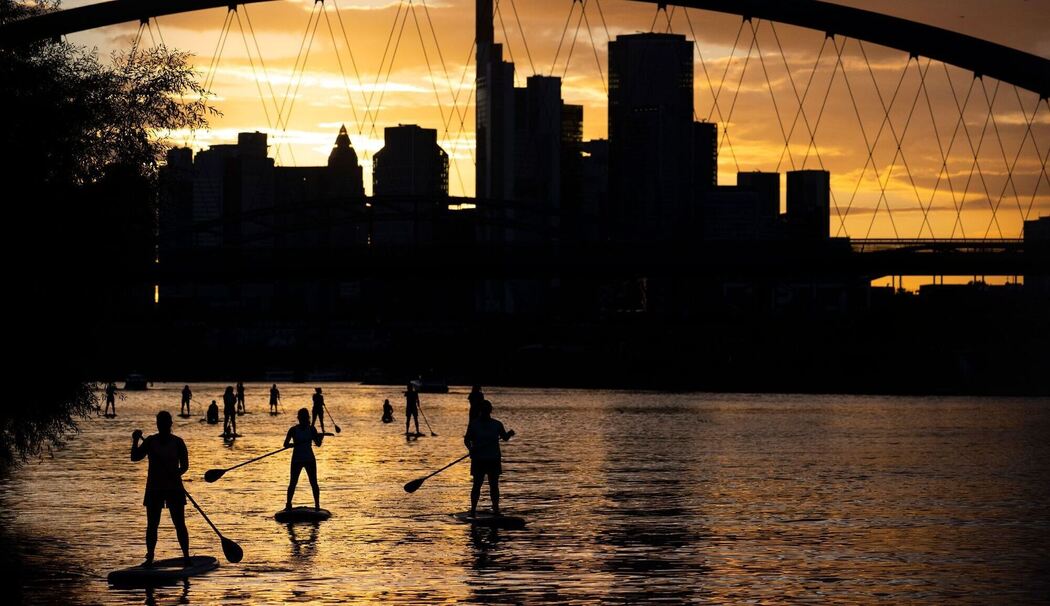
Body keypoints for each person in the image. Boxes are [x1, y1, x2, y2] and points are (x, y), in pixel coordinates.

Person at [131, 411, 190, 567]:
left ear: (170, 424)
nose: (161, 426)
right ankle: (150, 557)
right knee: (152, 525)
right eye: (159, 423)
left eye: (164, 423)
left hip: (174, 487)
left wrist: (175, 474)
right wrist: (135, 440)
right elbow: (135, 457)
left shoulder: (178, 442)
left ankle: (186, 557)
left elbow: (185, 466)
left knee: (180, 524)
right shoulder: (150, 441)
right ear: (157, 424)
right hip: (154, 488)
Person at [464, 400, 514, 517]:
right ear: (481, 410)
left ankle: (496, 509)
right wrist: (471, 449)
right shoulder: (474, 424)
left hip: (493, 459)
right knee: (477, 485)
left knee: (494, 485)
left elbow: (505, 438)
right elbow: (467, 440)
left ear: (490, 410)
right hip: (479, 459)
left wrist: (510, 434)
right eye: (484, 409)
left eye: (487, 409)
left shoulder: (497, 424)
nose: (485, 412)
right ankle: (473, 510)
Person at [284, 408, 324, 510]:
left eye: (304, 418)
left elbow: (318, 444)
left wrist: (321, 437)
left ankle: (317, 505)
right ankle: (288, 504)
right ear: (299, 418)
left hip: (309, 459)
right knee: (293, 483)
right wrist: (293, 444)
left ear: (307, 418)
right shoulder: (293, 430)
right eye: (302, 418)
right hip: (297, 460)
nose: (303, 419)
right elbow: (285, 444)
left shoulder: (312, 429)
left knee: (313, 483)